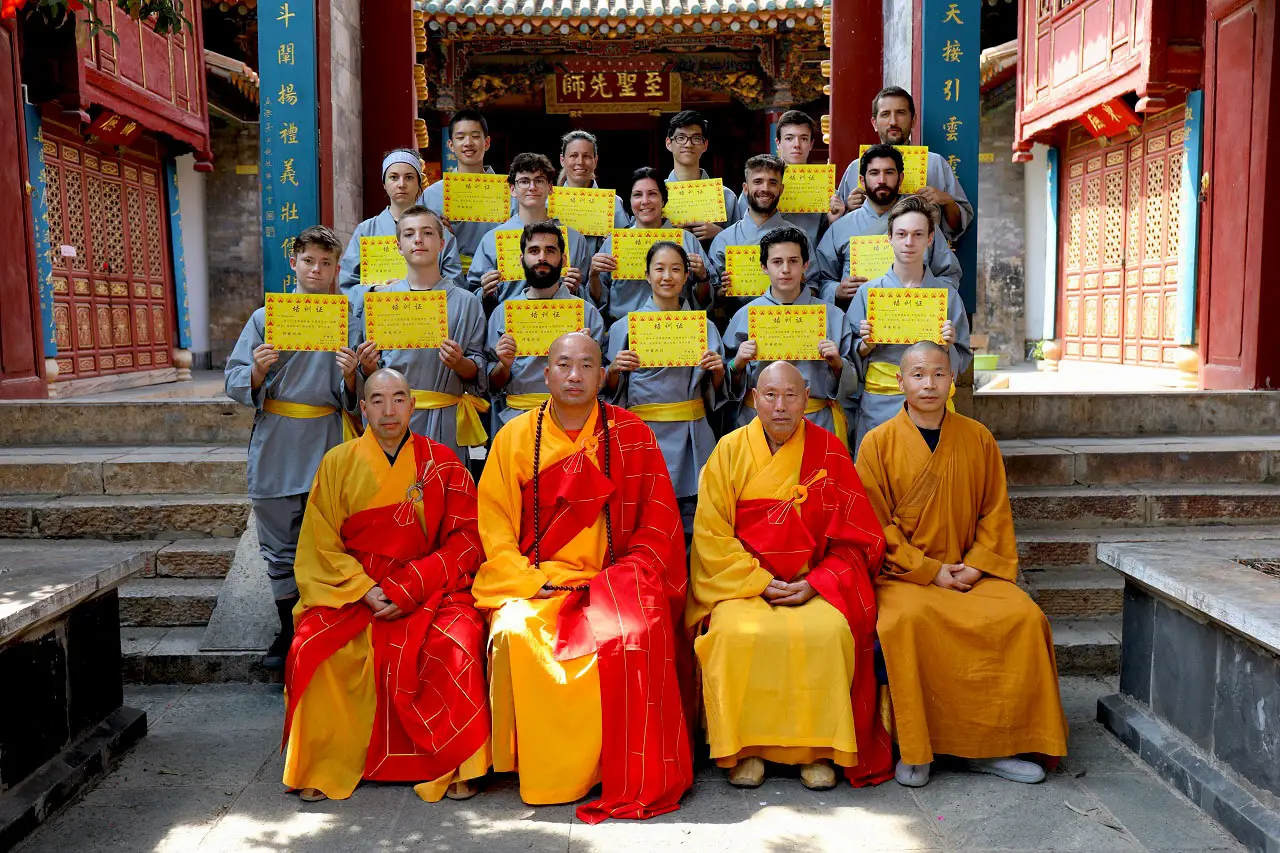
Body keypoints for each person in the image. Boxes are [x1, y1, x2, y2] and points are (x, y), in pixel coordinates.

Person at [474, 331, 693, 822]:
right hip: (537, 583)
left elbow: (658, 525)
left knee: (635, 632)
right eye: (564, 365)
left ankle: (613, 766)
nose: (575, 376)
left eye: (587, 366)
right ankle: (545, 767)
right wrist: (528, 581)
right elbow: (494, 527)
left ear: (603, 375)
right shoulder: (514, 437)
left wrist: (624, 577)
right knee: (514, 631)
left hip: (613, 581)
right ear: (546, 373)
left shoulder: (632, 434)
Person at [855, 341, 1068, 788]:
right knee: (906, 622)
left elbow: (995, 512)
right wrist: (929, 570)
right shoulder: (876, 444)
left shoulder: (978, 438)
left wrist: (974, 565)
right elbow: (875, 526)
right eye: (918, 375)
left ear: (952, 380)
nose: (928, 384)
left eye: (938, 374)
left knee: (1023, 618)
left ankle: (996, 746)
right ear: (900, 382)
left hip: (972, 572)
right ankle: (918, 747)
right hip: (905, 577)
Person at [282, 368, 491, 803]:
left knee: (458, 639)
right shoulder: (337, 463)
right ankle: (323, 763)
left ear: (413, 405)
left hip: (430, 589)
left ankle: (457, 763)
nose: (389, 410)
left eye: (398, 399)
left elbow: (468, 539)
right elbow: (320, 543)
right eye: (377, 400)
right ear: (363, 408)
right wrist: (364, 589)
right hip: (356, 592)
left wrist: (413, 584)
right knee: (310, 647)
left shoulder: (442, 462)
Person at [688, 361, 892, 791]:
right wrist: (758, 582)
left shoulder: (829, 451)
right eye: (770, 395)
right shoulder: (729, 450)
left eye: (790, 395)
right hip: (743, 585)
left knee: (830, 632)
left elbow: (856, 539)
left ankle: (817, 750)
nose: (780, 406)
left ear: (806, 399)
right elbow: (711, 536)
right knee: (734, 634)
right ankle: (746, 749)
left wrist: (816, 583)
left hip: (810, 583)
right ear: (754, 399)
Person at [224, 225, 369, 670]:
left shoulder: (349, 320)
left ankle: (326, 625)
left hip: (328, 435)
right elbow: (232, 379)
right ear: (294, 264)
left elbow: (361, 392)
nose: (316, 270)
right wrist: (256, 371)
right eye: (308, 261)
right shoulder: (265, 318)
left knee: (329, 537)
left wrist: (352, 376)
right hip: (278, 438)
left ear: (337, 268)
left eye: (326, 263)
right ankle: (287, 630)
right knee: (279, 541)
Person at [605, 241, 726, 534]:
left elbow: (715, 392)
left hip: (691, 432)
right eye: (659, 269)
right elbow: (611, 392)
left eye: (675, 269)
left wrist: (718, 371)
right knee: (644, 517)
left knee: (692, 517)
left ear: (686, 276)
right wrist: (614, 370)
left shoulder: (704, 327)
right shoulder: (624, 327)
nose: (667, 277)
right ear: (647, 275)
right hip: (643, 433)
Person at [352, 206, 489, 465]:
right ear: (398, 246)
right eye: (409, 234)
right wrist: (368, 366)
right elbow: (367, 375)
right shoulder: (380, 302)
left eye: (427, 233)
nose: (418, 240)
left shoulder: (467, 302)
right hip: (391, 419)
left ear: (442, 244)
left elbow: (479, 373)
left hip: (444, 419)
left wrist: (459, 362)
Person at [846, 195, 970, 452]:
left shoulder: (946, 296)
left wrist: (947, 346)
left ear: (930, 239)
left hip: (931, 403)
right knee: (878, 470)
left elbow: (962, 356)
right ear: (889, 238)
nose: (909, 242)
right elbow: (846, 358)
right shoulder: (867, 293)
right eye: (902, 234)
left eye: (918, 234)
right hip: (880, 404)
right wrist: (864, 346)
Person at [724, 226, 854, 445]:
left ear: (806, 265)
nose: (785, 269)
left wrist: (837, 364)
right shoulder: (745, 316)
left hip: (816, 421)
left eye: (793, 261)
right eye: (777, 262)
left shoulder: (832, 316)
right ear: (764, 267)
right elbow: (726, 379)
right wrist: (738, 363)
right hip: (759, 423)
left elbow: (852, 383)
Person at [486, 221, 606, 431]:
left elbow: (603, 382)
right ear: (522, 259)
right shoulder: (503, 314)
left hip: (575, 421)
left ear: (564, 259)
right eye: (534, 251)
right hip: (518, 421)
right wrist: (504, 365)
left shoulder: (586, 313)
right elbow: (491, 384)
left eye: (550, 251)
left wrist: (586, 360)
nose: (542, 257)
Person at [814, 144, 961, 307]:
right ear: (862, 180)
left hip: (914, 315)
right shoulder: (840, 227)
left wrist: (924, 291)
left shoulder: (922, 224)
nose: (882, 180)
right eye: (874, 173)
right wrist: (836, 291)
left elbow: (949, 275)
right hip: (858, 318)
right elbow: (818, 280)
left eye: (889, 172)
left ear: (901, 178)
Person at [835, 86, 973, 240]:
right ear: (874, 123)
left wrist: (946, 200)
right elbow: (835, 228)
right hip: (868, 253)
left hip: (920, 252)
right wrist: (848, 209)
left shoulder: (935, 164)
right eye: (885, 114)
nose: (893, 122)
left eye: (900, 113)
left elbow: (959, 225)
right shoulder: (856, 168)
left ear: (913, 120)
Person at [590, 167, 713, 322]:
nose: (645, 201)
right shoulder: (614, 242)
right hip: (625, 328)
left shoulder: (686, 240)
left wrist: (702, 277)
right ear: (630, 201)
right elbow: (598, 301)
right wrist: (593, 275)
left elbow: (704, 301)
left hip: (677, 327)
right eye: (637, 195)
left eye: (652, 194)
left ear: (663, 200)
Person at [469, 152, 592, 308]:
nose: (532, 187)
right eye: (524, 181)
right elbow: (473, 292)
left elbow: (590, 294)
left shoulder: (574, 239)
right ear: (513, 189)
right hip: (510, 320)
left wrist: (577, 290)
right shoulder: (492, 239)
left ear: (550, 187)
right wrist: (485, 293)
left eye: (539, 181)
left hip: (562, 318)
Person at [339, 149, 463, 292]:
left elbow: (455, 286)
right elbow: (349, 283)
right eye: (394, 177)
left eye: (409, 177)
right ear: (384, 184)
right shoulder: (366, 230)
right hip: (381, 305)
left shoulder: (438, 230)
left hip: (429, 305)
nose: (401, 184)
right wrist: (377, 290)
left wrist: (422, 290)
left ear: (419, 183)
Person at [711, 154, 803, 320]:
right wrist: (722, 292)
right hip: (740, 325)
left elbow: (814, 289)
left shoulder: (799, 236)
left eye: (772, 183)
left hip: (790, 323)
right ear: (746, 188)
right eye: (758, 181)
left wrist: (800, 283)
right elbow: (711, 299)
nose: (765, 188)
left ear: (781, 189)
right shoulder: (724, 239)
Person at [733, 111, 842, 250]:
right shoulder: (758, 188)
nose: (797, 145)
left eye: (803, 138)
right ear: (778, 143)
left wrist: (834, 223)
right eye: (789, 138)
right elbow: (739, 232)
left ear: (811, 144)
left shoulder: (827, 191)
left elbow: (828, 246)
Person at [420, 109, 508, 276]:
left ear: (487, 142)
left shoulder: (509, 192)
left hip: (498, 277)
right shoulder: (432, 195)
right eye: (460, 138)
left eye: (475, 136)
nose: (468, 143)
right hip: (448, 278)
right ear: (450, 145)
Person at [664, 109, 739, 244]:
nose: (688, 144)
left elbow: (741, 243)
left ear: (705, 145)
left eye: (696, 138)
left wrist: (720, 234)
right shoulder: (655, 194)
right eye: (681, 138)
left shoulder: (726, 196)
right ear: (669, 143)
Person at [558, 129, 631, 257]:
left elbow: (624, 251)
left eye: (586, 156)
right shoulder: (548, 204)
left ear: (595, 161)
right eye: (574, 155)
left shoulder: (613, 203)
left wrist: (611, 243)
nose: (580, 162)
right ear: (562, 160)